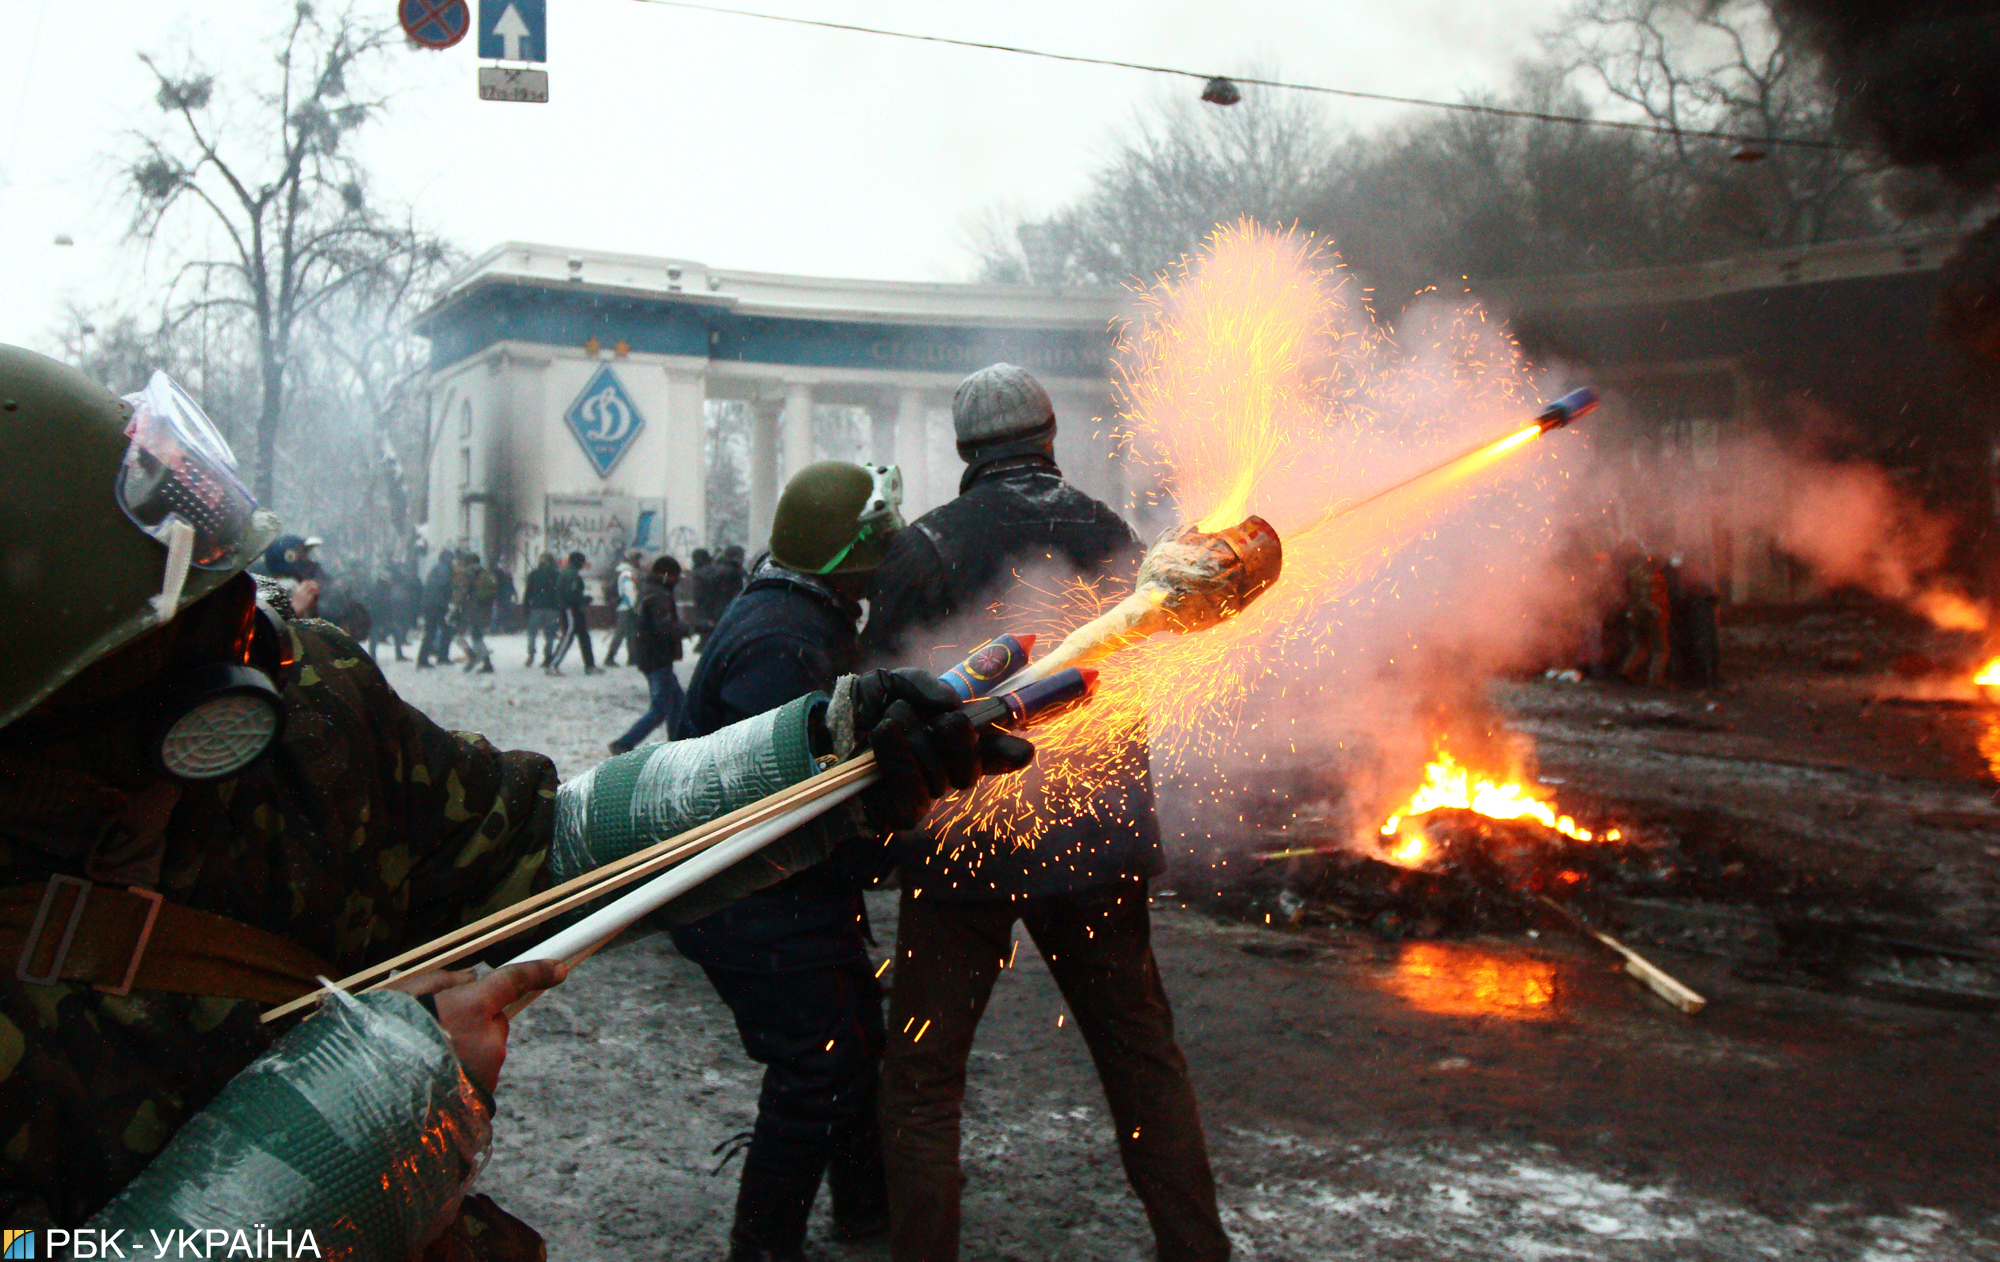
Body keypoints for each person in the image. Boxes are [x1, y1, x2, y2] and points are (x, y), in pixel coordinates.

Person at [0, 345, 1031, 1248]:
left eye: (230, 587)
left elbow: (542, 837)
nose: (261, 642)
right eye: (194, 630)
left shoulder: (313, 705)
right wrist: (341, 1135)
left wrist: (820, 756)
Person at [861, 364, 1230, 1262]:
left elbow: (878, 699)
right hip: (1097, 839)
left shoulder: (926, 545)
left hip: (963, 837)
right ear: (1049, 435)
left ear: (964, 449)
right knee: (1141, 1057)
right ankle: (1196, 1249)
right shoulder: (1112, 535)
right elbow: (1150, 670)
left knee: (923, 1078)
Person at [672, 463, 907, 1261]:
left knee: (855, 1042)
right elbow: (784, 798)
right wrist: (885, 839)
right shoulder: (784, 641)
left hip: (788, 896)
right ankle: (764, 1244)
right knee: (816, 1070)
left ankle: (866, 1208)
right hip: (755, 898)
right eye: (872, 549)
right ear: (841, 556)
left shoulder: (801, 615)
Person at [610, 556, 688, 755]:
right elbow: (663, 627)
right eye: (675, 577)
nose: (676, 581)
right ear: (666, 575)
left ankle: (678, 742)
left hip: (650, 654)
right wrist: (686, 628)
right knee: (661, 708)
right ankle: (624, 743)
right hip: (657, 656)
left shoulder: (648, 590)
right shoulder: (658, 595)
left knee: (678, 703)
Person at [548, 550, 601, 675]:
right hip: (570, 609)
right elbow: (570, 595)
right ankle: (553, 665)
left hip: (572, 608)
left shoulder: (569, 573)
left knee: (583, 636)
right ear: (578, 562)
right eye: (582, 562)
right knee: (569, 635)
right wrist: (584, 599)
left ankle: (590, 665)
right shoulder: (571, 575)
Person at [451, 550, 497, 674]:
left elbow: (463, 592)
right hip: (483, 609)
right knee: (477, 635)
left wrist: (455, 606)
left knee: (457, 633)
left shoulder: (470, 574)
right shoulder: (485, 574)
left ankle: (474, 657)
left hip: (471, 609)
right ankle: (485, 662)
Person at [416, 546, 457, 668]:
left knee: (431, 631)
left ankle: (424, 658)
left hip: (430, 604)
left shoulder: (437, 568)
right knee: (445, 631)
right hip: (437, 605)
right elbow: (444, 586)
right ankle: (441, 657)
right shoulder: (444, 570)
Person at [602, 548, 643, 667]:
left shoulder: (622, 571)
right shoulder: (627, 572)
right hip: (626, 606)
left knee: (631, 632)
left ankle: (632, 656)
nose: (638, 562)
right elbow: (630, 591)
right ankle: (610, 657)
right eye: (636, 559)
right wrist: (634, 605)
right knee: (621, 632)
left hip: (624, 606)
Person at [522, 551, 562, 667]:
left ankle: (531, 654)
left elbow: (528, 592)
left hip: (536, 607)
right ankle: (548, 656)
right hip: (552, 608)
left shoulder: (533, 574)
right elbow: (559, 592)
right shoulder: (556, 575)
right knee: (550, 634)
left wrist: (526, 607)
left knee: (532, 633)